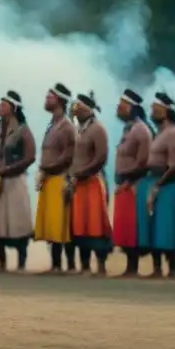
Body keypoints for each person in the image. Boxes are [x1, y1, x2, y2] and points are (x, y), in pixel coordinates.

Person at [0, 90, 37, 272]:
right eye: (0, 103)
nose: (0, 107)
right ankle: (2, 263)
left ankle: (21, 263)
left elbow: (30, 157)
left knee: (17, 223)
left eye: (4, 105)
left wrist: (8, 169)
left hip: (15, 181)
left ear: (13, 108)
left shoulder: (22, 129)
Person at [34, 83, 77, 273]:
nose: (46, 99)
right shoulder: (52, 124)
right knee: (51, 223)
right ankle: (55, 263)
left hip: (60, 178)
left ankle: (65, 265)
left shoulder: (67, 127)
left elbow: (68, 156)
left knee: (60, 223)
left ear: (58, 100)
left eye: (49, 96)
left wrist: (46, 168)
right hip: (49, 179)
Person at [68, 92, 112, 275]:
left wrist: (84, 173)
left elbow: (101, 157)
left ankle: (101, 264)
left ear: (88, 109)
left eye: (78, 106)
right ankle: (84, 264)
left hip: (93, 182)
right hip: (77, 183)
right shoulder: (77, 129)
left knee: (95, 223)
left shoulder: (97, 129)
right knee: (79, 224)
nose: (75, 109)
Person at [143, 92, 175, 278]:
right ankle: (157, 267)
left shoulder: (173, 134)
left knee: (165, 227)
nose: (152, 112)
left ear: (166, 112)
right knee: (153, 225)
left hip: (168, 184)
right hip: (155, 180)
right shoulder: (160, 133)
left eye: (156, 109)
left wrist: (159, 185)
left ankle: (173, 267)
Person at [111, 88, 153, 278]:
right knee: (125, 226)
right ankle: (129, 265)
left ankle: (133, 265)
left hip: (134, 184)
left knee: (133, 226)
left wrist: (128, 180)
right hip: (124, 184)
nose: (118, 108)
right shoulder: (128, 129)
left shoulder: (141, 130)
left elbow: (144, 162)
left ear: (132, 107)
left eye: (122, 105)